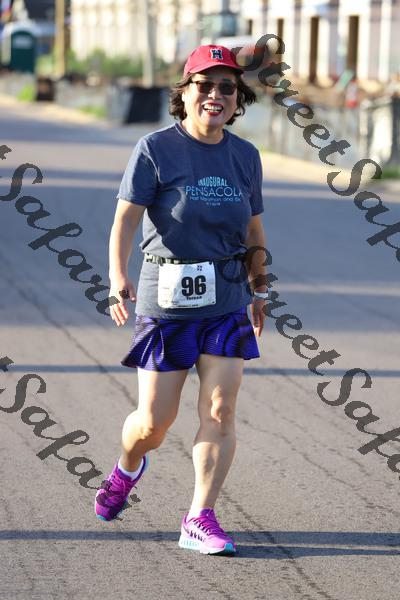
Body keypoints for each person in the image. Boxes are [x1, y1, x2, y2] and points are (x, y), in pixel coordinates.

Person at [95, 44, 268, 556]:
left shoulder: (245, 156)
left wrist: (260, 287)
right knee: (153, 423)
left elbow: (254, 229)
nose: (215, 95)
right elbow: (125, 220)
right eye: (204, 85)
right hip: (167, 301)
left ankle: (199, 518)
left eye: (226, 87)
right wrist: (117, 277)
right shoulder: (155, 149)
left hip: (227, 298)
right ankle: (127, 467)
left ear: (237, 99)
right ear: (185, 93)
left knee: (221, 407)